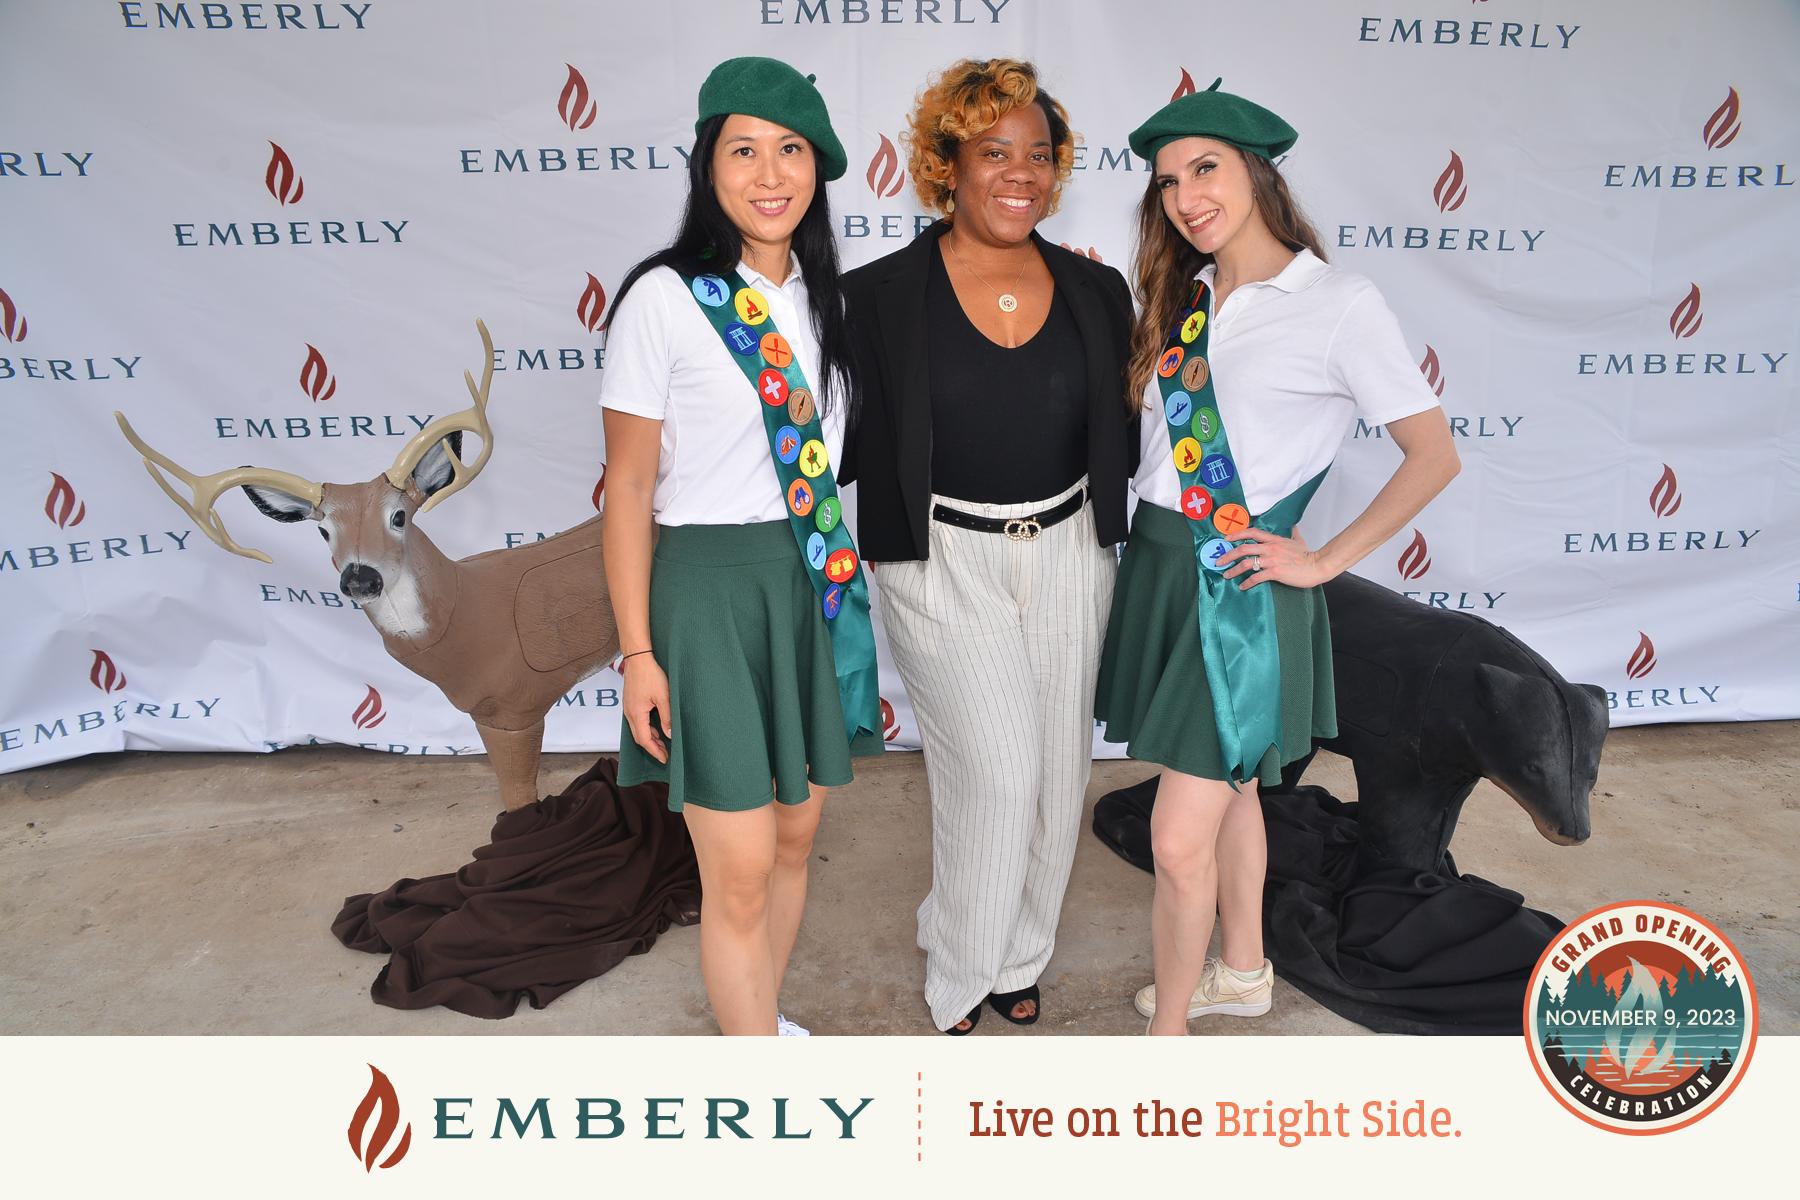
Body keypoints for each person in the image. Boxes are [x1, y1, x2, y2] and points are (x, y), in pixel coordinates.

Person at [1094, 81, 1461, 1035]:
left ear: (1256, 174)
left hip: (1242, 600)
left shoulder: (1338, 302)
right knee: (1240, 790)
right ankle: (1247, 969)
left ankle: (1167, 1039)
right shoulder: (1190, 298)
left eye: (1205, 168)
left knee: (1178, 842)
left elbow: (1435, 452)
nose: (1186, 196)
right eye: (1169, 180)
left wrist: (1323, 559)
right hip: (1166, 576)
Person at [841, 59, 1138, 1034]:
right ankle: (961, 968)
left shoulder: (1099, 293)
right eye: (995, 152)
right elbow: (829, 431)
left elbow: (1125, 440)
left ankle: (1019, 952)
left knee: (1057, 777)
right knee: (996, 771)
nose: (1022, 173)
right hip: (942, 559)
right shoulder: (877, 295)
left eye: (1040, 156)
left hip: (1067, 552)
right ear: (947, 164)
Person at [600, 57, 882, 1037]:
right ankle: (759, 1089)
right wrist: (638, 653)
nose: (771, 173)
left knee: (799, 834)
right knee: (743, 870)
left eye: (792, 150)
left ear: (819, 170)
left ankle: (756, 1028)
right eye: (745, 149)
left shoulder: (828, 302)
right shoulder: (665, 301)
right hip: (707, 592)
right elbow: (628, 489)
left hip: (804, 587)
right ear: (707, 167)